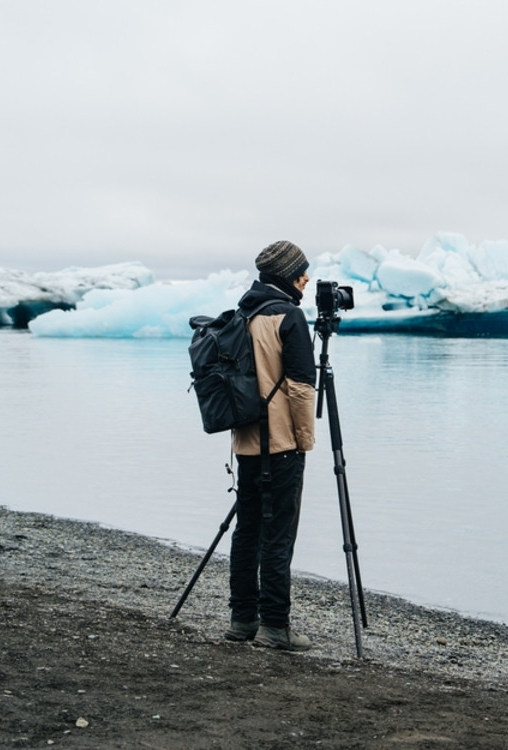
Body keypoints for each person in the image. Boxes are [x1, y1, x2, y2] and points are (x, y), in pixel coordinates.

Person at [225, 240, 317, 651]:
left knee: (247, 531)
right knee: (278, 535)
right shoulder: (289, 316)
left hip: (245, 443)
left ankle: (242, 619)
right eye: (301, 271)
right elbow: (300, 387)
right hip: (281, 444)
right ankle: (276, 625)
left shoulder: (243, 313)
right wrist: (304, 441)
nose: (306, 278)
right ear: (286, 275)